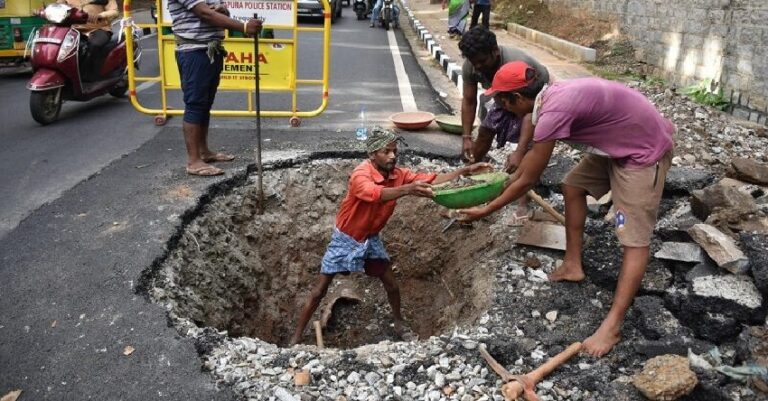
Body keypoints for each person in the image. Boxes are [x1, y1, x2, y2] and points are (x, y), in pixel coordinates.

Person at [457, 62, 675, 357]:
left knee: (633, 238)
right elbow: (522, 172)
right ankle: (573, 265)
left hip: (642, 151)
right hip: (618, 140)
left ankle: (612, 324)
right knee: (572, 186)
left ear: (518, 99)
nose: (501, 108)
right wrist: (494, 192)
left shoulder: (552, 113)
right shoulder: (546, 98)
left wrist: (486, 209)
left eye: (501, 102)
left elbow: (527, 180)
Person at [289, 127, 491, 345]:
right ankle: (296, 337)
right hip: (346, 238)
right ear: (372, 154)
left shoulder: (398, 175)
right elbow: (375, 195)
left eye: (395, 151)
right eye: (387, 152)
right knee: (319, 290)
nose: (393, 156)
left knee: (392, 285)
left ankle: (399, 323)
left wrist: (464, 172)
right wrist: (407, 189)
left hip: (371, 238)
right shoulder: (361, 175)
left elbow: (431, 179)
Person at [458, 27, 550, 223]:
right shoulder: (472, 64)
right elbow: (468, 100)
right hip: (504, 97)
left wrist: (519, 151)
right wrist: (466, 137)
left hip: (533, 99)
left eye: (482, 61)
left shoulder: (516, 65)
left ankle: (522, 203)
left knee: (528, 150)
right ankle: (470, 176)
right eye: (474, 63)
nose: (478, 67)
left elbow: (528, 113)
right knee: (484, 131)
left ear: (495, 52)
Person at [168, 0, 262, 176]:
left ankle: (204, 152)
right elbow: (205, 13)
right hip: (193, 50)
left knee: (205, 102)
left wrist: (222, 10)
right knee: (195, 103)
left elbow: (219, 13)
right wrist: (243, 27)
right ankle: (193, 161)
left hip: (211, 48)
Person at [57, 0, 118, 79]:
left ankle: (89, 77)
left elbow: (114, 11)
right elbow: (58, 7)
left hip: (98, 28)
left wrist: (100, 16)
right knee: (59, 43)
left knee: (94, 45)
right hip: (74, 29)